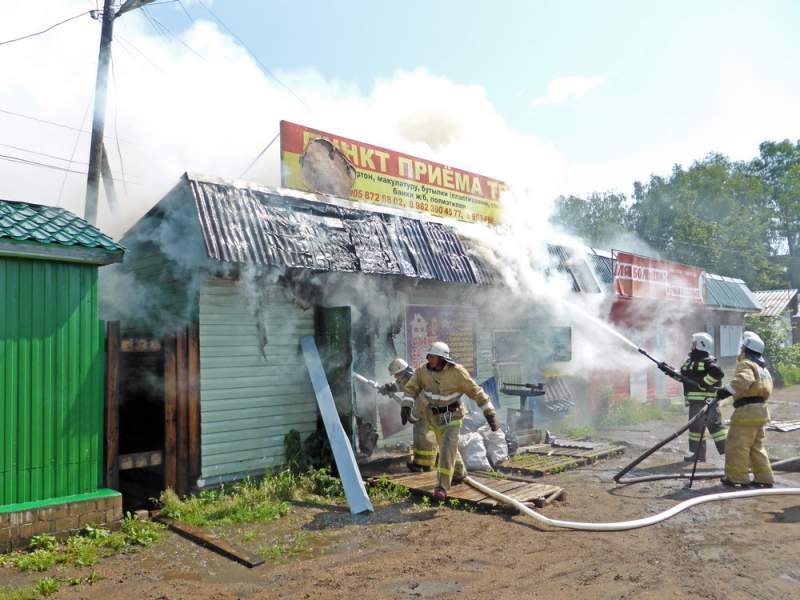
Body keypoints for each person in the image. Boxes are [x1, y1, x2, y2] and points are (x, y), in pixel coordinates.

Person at [403, 342, 499, 501]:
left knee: (447, 448)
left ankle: (442, 487)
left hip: (453, 418)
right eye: (430, 356)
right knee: (447, 448)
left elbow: (476, 392)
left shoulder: (457, 373)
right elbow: (411, 387)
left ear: (443, 359)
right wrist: (406, 406)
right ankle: (459, 473)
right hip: (433, 418)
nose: (431, 360)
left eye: (434, 357)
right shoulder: (422, 371)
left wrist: (490, 413)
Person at [716, 331, 774, 488]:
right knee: (757, 447)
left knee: (737, 445)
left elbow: (743, 380)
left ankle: (737, 478)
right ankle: (764, 478)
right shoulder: (763, 369)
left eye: (742, 347)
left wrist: (724, 391)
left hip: (746, 411)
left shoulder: (746, 364)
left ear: (746, 349)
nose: (740, 350)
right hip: (761, 411)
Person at [658, 333, 726, 462]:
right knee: (695, 429)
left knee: (716, 428)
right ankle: (697, 454)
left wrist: (704, 383)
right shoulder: (690, 362)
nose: (691, 345)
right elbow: (683, 378)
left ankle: (730, 453)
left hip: (708, 402)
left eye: (694, 343)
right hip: (695, 403)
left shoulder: (707, 360)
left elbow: (718, 373)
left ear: (700, 344)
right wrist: (668, 370)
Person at [379, 358, 438, 472]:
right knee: (421, 436)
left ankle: (423, 465)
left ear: (402, 372)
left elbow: (421, 399)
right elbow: (401, 386)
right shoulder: (409, 377)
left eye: (396, 375)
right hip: (423, 411)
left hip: (427, 411)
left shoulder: (415, 378)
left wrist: (413, 413)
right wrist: (388, 387)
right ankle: (423, 463)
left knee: (423, 437)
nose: (396, 378)